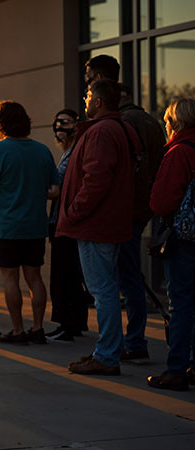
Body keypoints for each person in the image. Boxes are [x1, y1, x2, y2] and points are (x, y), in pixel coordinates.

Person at [85, 54, 166, 362]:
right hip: (140, 209)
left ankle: (131, 342)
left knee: (120, 280)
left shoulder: (121, 124)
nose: (88, 88)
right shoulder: (149, 122)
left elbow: (112, 174)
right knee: (127, 278)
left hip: (124, 212)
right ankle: (131, 340)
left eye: (90, 80)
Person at [57, 80, 140, 376]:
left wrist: (75, 211)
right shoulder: (117, 129)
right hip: (107, 222)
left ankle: (106, 356)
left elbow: (96, 178)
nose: (85, 98)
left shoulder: (103, 131)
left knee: (103, 291)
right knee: (106, 289)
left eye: (88, 95)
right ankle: (106, 351)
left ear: (99, 101)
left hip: (96, 225)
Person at [0, 101, 60, 345]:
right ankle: (37, 327)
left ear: (1, 124)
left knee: (10, 279)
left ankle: (17, 329)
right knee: (34, 277)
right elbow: (54, 189)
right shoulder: (42, 150)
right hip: (35, 225)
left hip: (7, 227)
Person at [147, 98, 195, 391]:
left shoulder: (179, 152)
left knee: (181, 304)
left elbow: (162, 200)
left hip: (183, 239)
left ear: (174, 123)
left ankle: (176, 369)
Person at [47, 110, 91, 342]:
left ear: (76, 125)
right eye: (56, 122)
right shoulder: (67, 152)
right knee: (71, 275)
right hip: (63, 220)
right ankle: (75, 322)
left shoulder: (74, 152)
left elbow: (59, 183)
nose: (59, 126)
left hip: (66, 222)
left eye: (64, 122)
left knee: (64, 275)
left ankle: (67, 324)